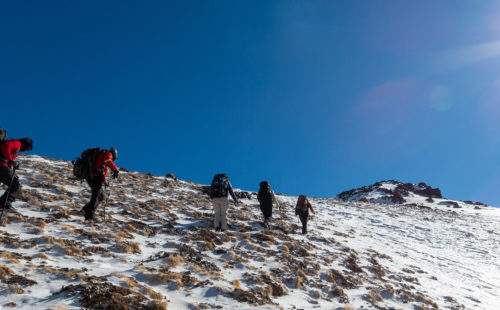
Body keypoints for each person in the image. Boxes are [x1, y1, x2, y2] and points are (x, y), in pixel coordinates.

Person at [81, 147, 119, 221]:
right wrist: (116, 169)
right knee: (97, 195)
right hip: (94, 177)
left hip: (92, 176)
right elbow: (107, 160)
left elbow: (102, 172)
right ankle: (89, 215)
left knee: (101, 196)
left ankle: (85, 210)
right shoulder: (108, 154)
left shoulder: (102, 156)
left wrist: (104, 182)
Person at [0, 138, 33, 210]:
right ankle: (4, 204)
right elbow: (6, 146)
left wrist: (12, 164)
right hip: (1, 165)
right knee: (15, 184)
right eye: (27, 148)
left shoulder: (16, 148)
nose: (26, 151)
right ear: (25, 144)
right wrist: (11, 160)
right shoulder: (17, 143)